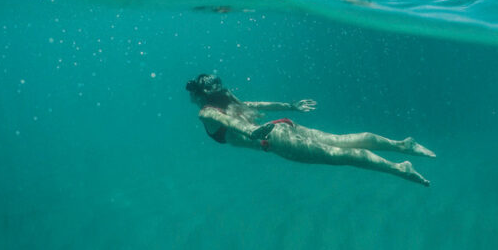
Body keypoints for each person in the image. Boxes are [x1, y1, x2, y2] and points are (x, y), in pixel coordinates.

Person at [186, 73, 434, 186]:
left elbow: (233, 124)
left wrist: (251, 133)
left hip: (272, 140)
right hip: (281, 126)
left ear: (198, 95)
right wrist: (289, 107)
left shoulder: (206, 111)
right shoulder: (230, 101)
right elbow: (255, 105)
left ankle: (400, 168)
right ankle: (402, 145)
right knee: (341, 141)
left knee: (339, 155)